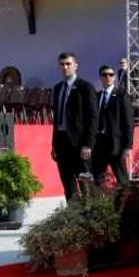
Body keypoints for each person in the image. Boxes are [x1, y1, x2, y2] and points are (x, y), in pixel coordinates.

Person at [51, 52, 98, 201]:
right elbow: (57, 118)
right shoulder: (58, 88)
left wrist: (88, 144)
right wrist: (54, 145)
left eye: (68, 64)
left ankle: (90, 215)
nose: (65, 67)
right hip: (62, 141)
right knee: (67, 182)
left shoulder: (85, 87)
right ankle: (73, 216)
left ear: (76, 66)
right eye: (62, 64)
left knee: (85, 183)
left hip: (79, 143)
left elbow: (92, 117)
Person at [93, 65, 133, 187]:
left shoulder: (121, 95)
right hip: (98, 145)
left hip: (116, 145)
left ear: (115, 77)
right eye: (105, 75)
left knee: (122, 180)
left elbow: (128, 121)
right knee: (98, 180)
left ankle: (126, 205)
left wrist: (127, 146)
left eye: (111, 74)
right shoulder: (96, 96)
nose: (108, 77)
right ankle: (101, 205)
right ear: (100, 77)